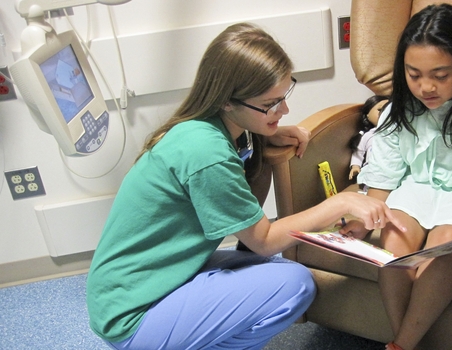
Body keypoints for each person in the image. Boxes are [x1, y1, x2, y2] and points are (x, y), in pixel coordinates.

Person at [86, 22, 405, 350]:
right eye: (270, 104)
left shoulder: (214, 130)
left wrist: (265, 133)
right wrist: (338, 204)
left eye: (284, 96)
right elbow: (263, 240)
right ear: (227, 101)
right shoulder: (206, 152)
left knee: (270, 273)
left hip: (149, 280)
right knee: (294, 285)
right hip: (131, 315)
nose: (284, 110)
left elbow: (249, 217)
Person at [344, 4, 452, 350]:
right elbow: (385, 172)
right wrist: (365, 221)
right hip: (413, 193)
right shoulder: (398, 110)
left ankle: (401, 344)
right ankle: (406, 344)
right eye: (414, 74)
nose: (426, 87)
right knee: (393, 246)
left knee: (445, 252)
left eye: (440, 76)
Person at [348, 95, 389, 182]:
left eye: (389, 110)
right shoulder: (367, 136)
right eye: (380, 110)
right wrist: (355, 166)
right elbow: (358, 153)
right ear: (368, 115)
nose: (385, 113)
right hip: (372, 168)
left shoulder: (396, 131)